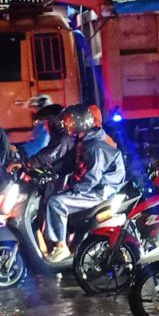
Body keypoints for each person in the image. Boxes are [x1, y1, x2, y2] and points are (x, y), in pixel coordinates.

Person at [44, 104, 126, 262]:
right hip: (97, 187)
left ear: (81, 123)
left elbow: (92, 177)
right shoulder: (87, 141)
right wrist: (50, 169)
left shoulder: (93, 146)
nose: (68, 125)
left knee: (56, 202)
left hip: (99, 191)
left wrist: (73, 188)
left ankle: (60, 247)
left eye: (70, 122)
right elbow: (72, 164)